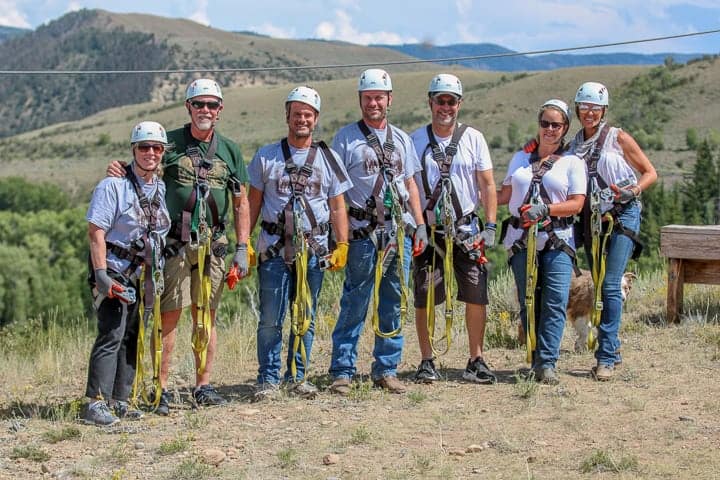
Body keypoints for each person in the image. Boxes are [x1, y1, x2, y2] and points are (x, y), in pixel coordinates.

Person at [107, 78, 250, 414]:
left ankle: (204, 385)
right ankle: (162, 387)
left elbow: (241, 201)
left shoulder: (230, 150)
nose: (205, 110)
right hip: (175, 244)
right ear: (188, 107)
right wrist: (120, 169)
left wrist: (243, 247)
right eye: (198, 104)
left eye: (211, 105)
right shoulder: (168, 143)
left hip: (213, 243)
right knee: (168, 315)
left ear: (220, 110)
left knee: (207, 316)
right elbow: (143, 166)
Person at [248, 86, 351, 401]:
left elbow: (337, 206)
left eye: (307, 115)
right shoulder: (267, 156)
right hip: (274, 249)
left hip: (315, 250)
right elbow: (252, 203)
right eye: (296, 115)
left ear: (316, 118)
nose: (301, 120)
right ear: (287, 117)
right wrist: (245, 243)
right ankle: (268, 379)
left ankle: (298, 377)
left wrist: (342, 244)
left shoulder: (329, 158)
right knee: (270, 318)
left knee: (305, 314)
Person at [328, 69, 426, 395]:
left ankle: (386, 369)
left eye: (378, 97)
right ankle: (342, 370)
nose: (373, 103)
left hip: (397, 232)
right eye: (368, 98)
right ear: (360, 100)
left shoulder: (401, 139)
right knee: (355, 301)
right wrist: (338, 236)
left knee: (393, 302)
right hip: (362, 234)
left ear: (389, 100)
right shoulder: (346, 139)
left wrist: (420, 224)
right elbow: (335, 192)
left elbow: (410, 183)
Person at [410, 73, 498, 384]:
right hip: (430, 232)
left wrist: (490, 225)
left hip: (467, 231)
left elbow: (487, 184)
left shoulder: (473, 138)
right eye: (440, 101)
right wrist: (416, 225)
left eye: (451, 101)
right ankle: (427, 359)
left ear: (459, 104)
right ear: (430, 102)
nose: (445, 107)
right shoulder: (415, 140)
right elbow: (409, 188)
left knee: (476, 294)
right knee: (426, 295)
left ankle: (476, 358)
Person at [83, 121, 171, 425]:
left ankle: (121, 399)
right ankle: (95, 402)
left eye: (156, 148)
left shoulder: (159, 186)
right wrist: (101, 274)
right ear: (133, 150)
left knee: (132, 336)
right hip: (114, 269)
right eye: (144, 147)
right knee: (112, 333)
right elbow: (96, 232)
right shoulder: (113, 186)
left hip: (141, 274)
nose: (150, 153)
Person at [569, 82, 657, 381]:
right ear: (578, 109)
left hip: (622, 215)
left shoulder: (618, 138)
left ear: (603, 110)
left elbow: (650, 172)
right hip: (592, 219)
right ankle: (614, 349)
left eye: (595, 108)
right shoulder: (574, 145)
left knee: (609, 285)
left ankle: (604, 357)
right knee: (597, 286)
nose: (589, 113)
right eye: (585, 107)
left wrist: (632, 191)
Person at [498, 99, 586, 384]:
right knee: (528, 300)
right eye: (545, 123)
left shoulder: (573, 162)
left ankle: (547, 362)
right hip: (522, 239)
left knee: (555, 300)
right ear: (539, 125)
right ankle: (535, 355)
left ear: (565, 129)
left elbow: (576, 204)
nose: (549, 129)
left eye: (556, 125)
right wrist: (472, 194)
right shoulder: (520, 158)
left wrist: (546, 209)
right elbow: (504, 194)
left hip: (557, 238)